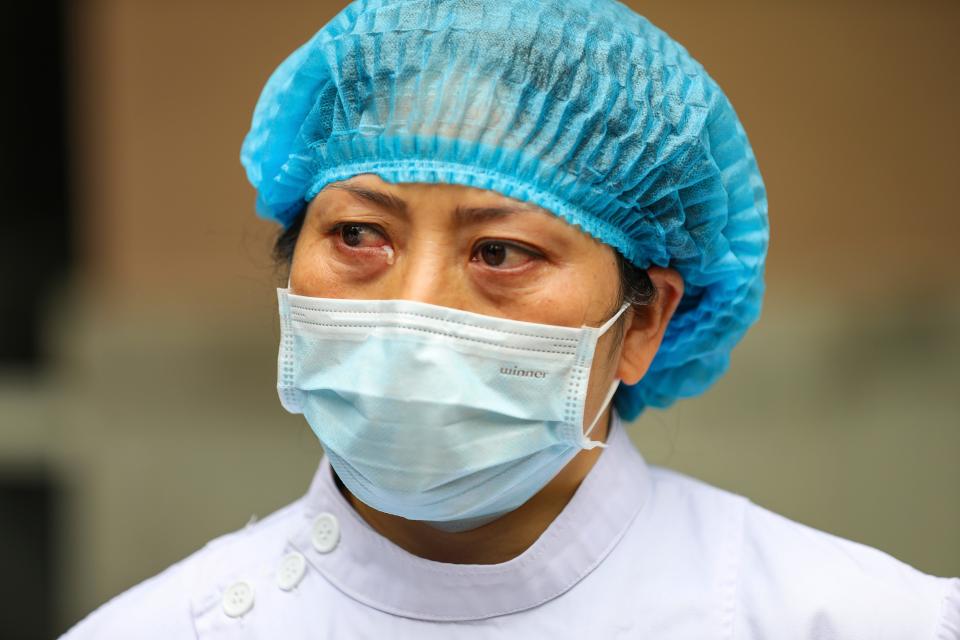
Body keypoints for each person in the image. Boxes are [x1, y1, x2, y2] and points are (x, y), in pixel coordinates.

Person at [63, 0, 959, 637]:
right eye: (360, 235)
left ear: (643, 324)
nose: (414, 311)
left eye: (500, 252)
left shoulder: (854, 619)